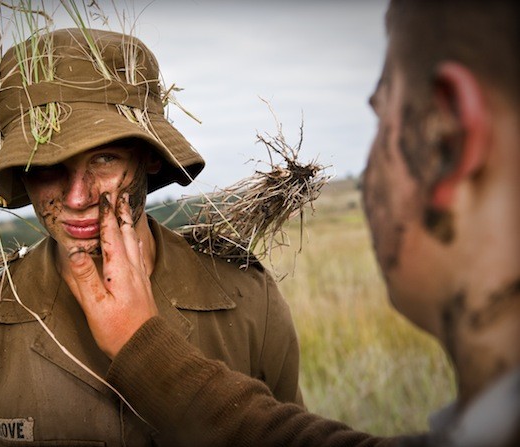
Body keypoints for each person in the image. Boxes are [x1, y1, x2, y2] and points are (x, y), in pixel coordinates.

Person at [65, 1, 520, 446]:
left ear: (447, 140)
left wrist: (142, 347)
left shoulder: (250, 296)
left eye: (381, 116)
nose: (77, 197)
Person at [0, 29, 306, 446]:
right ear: (23, 173)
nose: (78, 197)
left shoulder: (246, 300)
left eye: (104, 158)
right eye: (47, 164)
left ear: (149, 155)